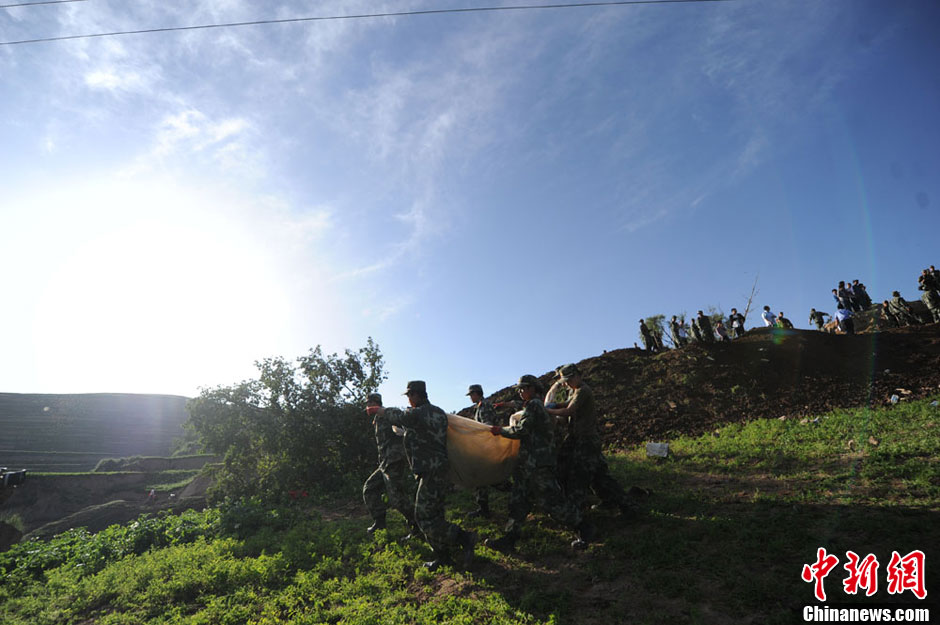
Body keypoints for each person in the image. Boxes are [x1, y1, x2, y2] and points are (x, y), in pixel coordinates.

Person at [486, 374, 593, 553]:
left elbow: (521, 430)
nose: (520, 392)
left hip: (538, 465)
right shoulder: (532, 405)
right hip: (528, 465)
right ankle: (509, 539)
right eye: (519, 389)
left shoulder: (534, 405)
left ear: (533, 388)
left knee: (551, 501)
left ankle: (583, 526)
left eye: (523, 388)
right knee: (518, 502)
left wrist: (500, 430)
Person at [380, 381, 476, 570]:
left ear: (416, 395)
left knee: (423, 516)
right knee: (436, 513)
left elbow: (400, 416)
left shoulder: (418, 413)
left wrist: (382, 411)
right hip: (440, 469)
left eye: (409, 396)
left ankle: (464, 537)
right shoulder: (438, 412)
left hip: (430, 470)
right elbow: (424, 434)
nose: (408, 400)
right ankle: (443, 556)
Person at [546, 364, 637, 519]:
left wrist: (547, 410)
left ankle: (576, 510)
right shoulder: (574, 390)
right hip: (576, 438)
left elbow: (569, 410)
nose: (567, 384)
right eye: (565, 381)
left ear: (577, 375)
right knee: (585, 471)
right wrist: (554, 405)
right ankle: (611, 501)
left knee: (580, 474)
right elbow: (567, 403)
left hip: (586, 440)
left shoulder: (583, 391)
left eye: (569, 380)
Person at [362, 393, 418, 537]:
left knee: (397, 498)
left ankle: (417, 525)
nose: (367, 406)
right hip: (384, 462)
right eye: (367, 403)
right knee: (370, 489)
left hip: (394, 460)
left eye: (370, 403)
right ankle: (379, 522)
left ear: (376, 403)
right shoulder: (377, 419)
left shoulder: (387, 414)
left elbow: (402, 420)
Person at [467, 384, 498, 518]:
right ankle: (483, 508)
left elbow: (487, 426)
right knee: (485, 478)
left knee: (483, 477)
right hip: (485, 445)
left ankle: (484, 510)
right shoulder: (481, 406)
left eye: (471, 395)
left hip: (486, 446)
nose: (470, 398)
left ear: (476, 393)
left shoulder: (484, 406)